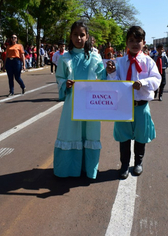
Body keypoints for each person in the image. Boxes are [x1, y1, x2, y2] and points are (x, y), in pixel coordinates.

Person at [106, 26, 161, 179]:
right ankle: (124, 164)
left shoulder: (148, 62)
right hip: (123, 106)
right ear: (126, 43)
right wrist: (111, 73)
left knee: (141, 136)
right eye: (131, 40)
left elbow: (157, 79)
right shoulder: (120, 62)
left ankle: (138, 162)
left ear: (144, 43)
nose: (135, 44)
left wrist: (143, 83)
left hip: (141, 106)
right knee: (123, 137)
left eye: (138, 41)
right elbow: (115, 83)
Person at [54, 21, 106, 179]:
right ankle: (68, 169)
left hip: (91, 103)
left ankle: (88, 169)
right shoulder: (65, 58)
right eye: (75, 34)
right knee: (71, 131)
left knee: (90, 131)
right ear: (70, 36)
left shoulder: (95, 57)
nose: (78, 38)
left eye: (82, 35)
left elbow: (103, 77)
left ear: (87, 37)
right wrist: (66, 84)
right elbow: (59, 78)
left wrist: (109, 71)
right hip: (72, 103)